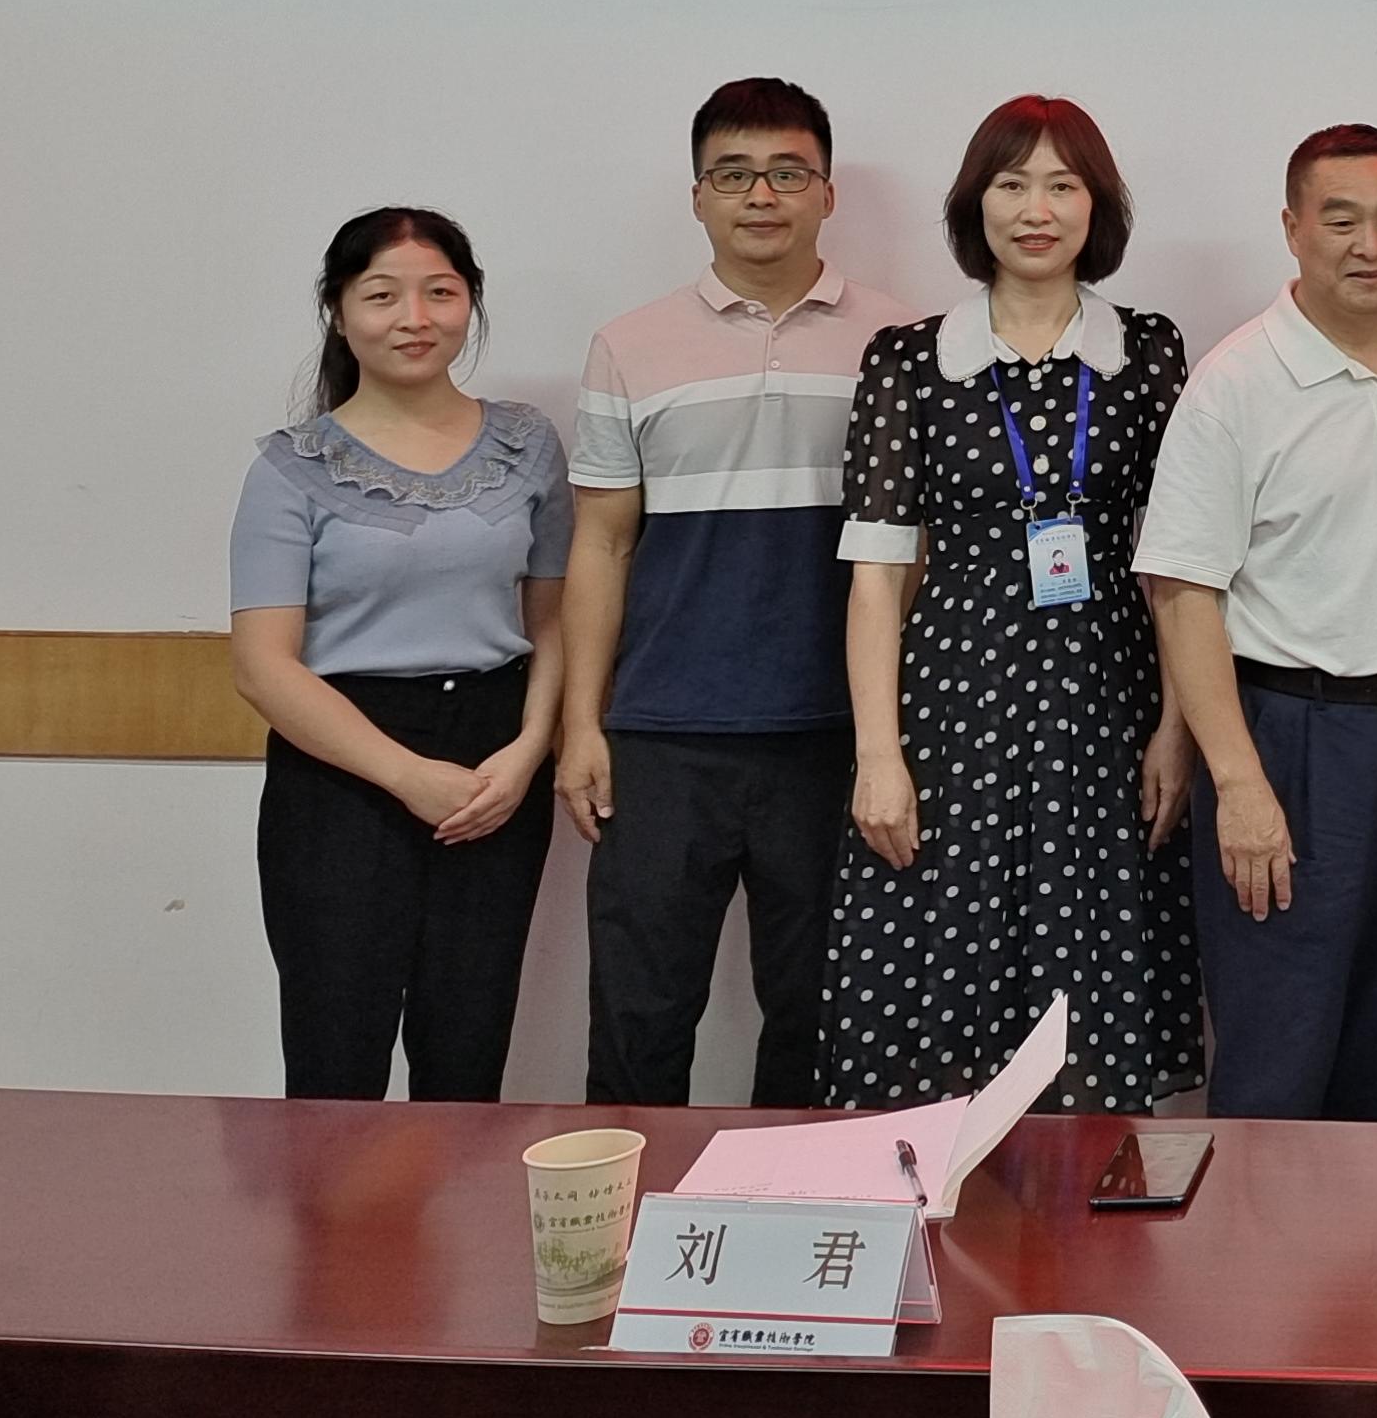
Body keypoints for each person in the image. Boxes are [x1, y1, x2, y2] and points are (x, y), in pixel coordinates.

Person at [827, 96, 1199, 1112]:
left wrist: (1175, 728)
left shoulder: (1147, 351)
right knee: (946, 968)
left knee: (1092, 968)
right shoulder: (908, 359)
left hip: (1107, 706)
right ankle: (948, 1199)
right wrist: (877, 753)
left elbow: (1178, 561)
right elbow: (877, 573)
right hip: (952, 708)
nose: (1037, 209)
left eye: (1062, 185)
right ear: (974, 203)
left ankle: (1085, 1207)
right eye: (1011, 183)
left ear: (1097, 206)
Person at [556, 79, 911, 1109]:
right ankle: (624, 1211)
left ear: (828, 193)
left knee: (823, 1022)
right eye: (734, 174)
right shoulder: (629, 344)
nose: (762, 195)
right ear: (698, 196)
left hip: (835, 735)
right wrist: (582, 724)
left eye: (788, 172)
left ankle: (801, 1210)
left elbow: (915, 553)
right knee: (639, 1015)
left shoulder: (901, 342)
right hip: (664, 734)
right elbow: (602, 543)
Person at [1140, 126, 1377, 1121]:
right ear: (1291, 228)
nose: (1371, 244)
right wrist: (1239, 783)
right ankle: (1251, 1231)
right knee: (1277, 1041)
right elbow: (1183, 593)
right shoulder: (1236, 382)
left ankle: (1362, 1228)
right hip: (1288, 740)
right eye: (1341, 221)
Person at [226, 207, 569, 1101]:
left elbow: (554, 621)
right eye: (382, 295)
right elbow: (263, 666)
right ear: (339, 312)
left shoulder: (528, 446)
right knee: (336, 1059)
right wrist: (408, 775)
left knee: (467, 1053)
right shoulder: (291, 467)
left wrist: (530, 749)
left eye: (439, 292)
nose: (414, 317)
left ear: (470, 303)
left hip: (496, 762)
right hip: (342, 769)